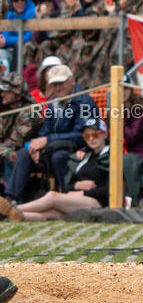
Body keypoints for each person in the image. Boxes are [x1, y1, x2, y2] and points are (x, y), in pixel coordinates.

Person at [4, 65, 97, 204]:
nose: (57, 87)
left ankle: (68, 198)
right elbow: (45, 129)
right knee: (25, 153)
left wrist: (47, 140)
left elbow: (81, 135)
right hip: (53, 147)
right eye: (54, 84)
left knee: (58, 157)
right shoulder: (52, 100)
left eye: (61, 83)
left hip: (77, 150)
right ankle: (12, 201)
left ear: (72, 80)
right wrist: (36, 146)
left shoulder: (84, 102)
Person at [0, 118, 110, 221]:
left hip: (98, 202)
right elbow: (67, 186)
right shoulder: (84, 156)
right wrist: (76, 186)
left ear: (105, 134)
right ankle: (14, 216)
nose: (91, 139)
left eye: (95, 134)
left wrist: (84, 192)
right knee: (51, 213)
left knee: (52, 196)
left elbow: (109, 190)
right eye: (87, 136)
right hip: (78, 199)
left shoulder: (110, 156)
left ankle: (14, 208)